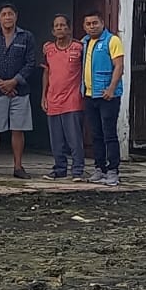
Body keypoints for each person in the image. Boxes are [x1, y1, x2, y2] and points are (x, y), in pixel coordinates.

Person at [0, 3, 36, 179]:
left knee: (18, 129)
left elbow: (31, 63)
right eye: (4, 14)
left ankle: (18, 167)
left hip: (20, 91)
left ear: (16, 16)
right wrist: (0, 83)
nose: (7, 17)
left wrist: (14, 82)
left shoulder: (26, 37)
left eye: (10, 13)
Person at [82, 10, 125, 187]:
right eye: (88, 24)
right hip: (89, 95)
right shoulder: (85, 42)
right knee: (96, 134)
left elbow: (119, 66)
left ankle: (113, 170)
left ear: (102, 23)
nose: (92, 26)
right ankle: (99, 168)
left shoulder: (112, 40)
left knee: (109, 134)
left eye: (95, 23)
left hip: (108, 96)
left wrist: (111, 89)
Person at [41, 14, 85, 181]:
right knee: (56, 140)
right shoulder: (49, 49)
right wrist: (44, 96)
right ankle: (59, 169)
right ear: (53, 31)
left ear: (69, 28)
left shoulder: (79, 48)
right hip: (53, 99)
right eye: (56, 26)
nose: (59, 28)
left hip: (72, 100)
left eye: (62, 25)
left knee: (74, 138)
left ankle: (77, 170)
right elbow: (47, 72)